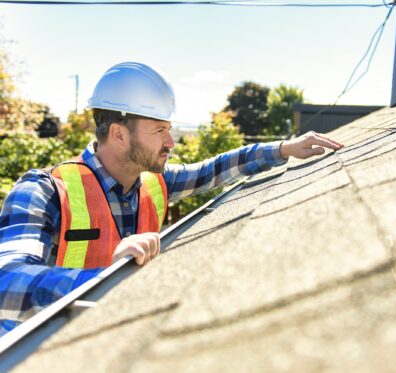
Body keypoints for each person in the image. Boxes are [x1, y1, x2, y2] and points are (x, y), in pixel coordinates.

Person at [0, 62, 343, 335]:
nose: (171, 142)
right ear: (119, 134)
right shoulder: (42, 191)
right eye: (159, 130)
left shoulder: (151, 182)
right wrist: (102, 280)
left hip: (107, 341)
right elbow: (6, 282)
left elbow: (212, 169)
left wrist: (282, 149)